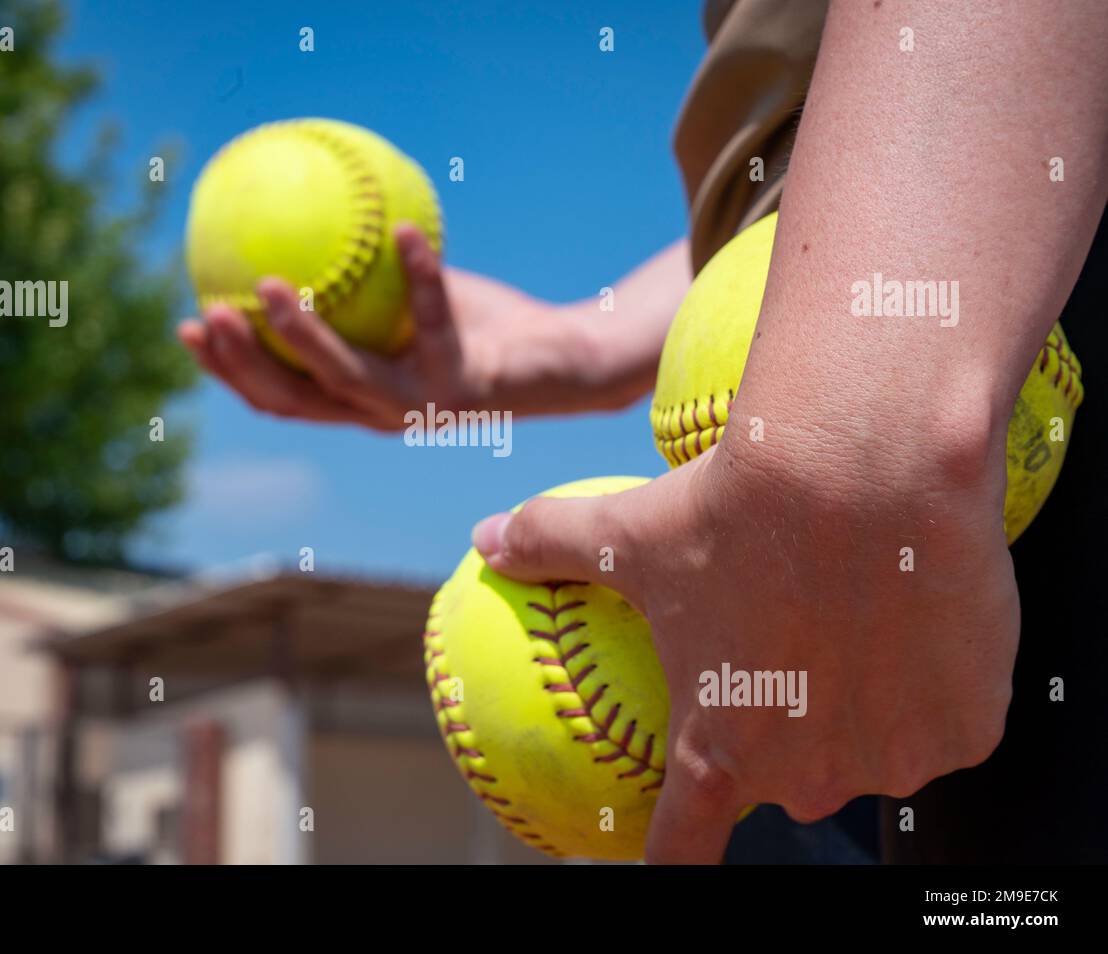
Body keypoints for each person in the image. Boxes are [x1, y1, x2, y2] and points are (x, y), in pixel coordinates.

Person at [179, 0, 1108, 863]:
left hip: (1000, 265)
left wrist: (864, 435)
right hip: (895, 296)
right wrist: (591, 342)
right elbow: (820, 135)